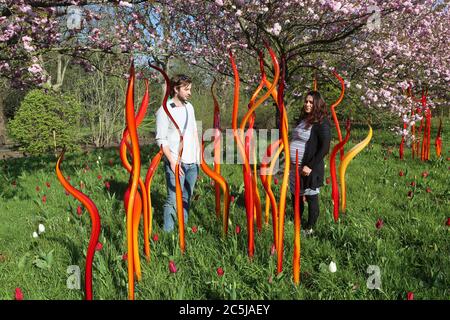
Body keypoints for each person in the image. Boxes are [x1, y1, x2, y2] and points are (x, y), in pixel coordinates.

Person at [155, 74, 200, 232]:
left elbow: (194, 131)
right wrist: (173, 162)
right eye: (186, 89)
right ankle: (167, 233)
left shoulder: (190, 107)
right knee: (173, 200)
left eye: (190, 89)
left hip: (192, 163)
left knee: (186, 197)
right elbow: (161, 140)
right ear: (176, 89)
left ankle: (183, 229)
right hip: (176, 164)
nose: (189, 92)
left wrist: (198, 159)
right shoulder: (164, 110)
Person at [289, 91, 331, 235]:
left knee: (311, 196)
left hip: (309, 167)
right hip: (294, 167)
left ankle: (309, 228)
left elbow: (325, 147)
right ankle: (297, 221)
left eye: (311, 102)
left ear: (317, 104)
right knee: (296, 196)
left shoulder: (321, 122)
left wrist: (310, 166)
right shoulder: (303, 119)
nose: (307, 104)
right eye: (306, 101)